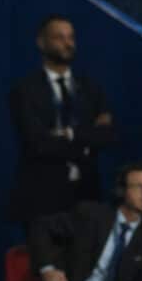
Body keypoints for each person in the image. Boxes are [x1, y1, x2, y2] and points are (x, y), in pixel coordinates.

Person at [9, 15, 116, 230]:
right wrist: (86, 138)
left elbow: (107, 136)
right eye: (59, 37)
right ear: (42, 42)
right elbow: (37, 143)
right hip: (42, 197)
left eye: (71, 37)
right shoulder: (25, 90)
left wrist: (68, 135)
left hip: (87, 193)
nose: (67, 43)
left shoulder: (90, 89)